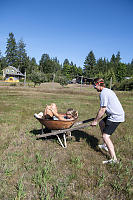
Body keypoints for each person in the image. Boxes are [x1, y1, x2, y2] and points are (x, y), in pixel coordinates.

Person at [91, 78, 125, 164]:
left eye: (94, 85)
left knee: (106, 136)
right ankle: (105, 145)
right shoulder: (107, 90)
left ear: (98, 84)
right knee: (102, 123)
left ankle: (114, 159)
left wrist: (95, 121)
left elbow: (102, 109)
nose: (94, 87)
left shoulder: (103, 93)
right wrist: (98, 120)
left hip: (115, 116)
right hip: (114, 114)